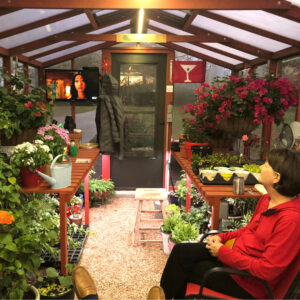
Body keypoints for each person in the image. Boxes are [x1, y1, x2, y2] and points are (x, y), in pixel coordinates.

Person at [160, 148, 300, 299]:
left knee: (187, 269)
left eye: (266, 165)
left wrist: (223, 253)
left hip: (249, 284)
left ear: (276, 177)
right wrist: (223, 237)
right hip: (235, 261)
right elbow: (249, 230)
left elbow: (267, 270)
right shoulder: (267, 200)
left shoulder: (291, 220)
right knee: (181, 251)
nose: (260, 167)